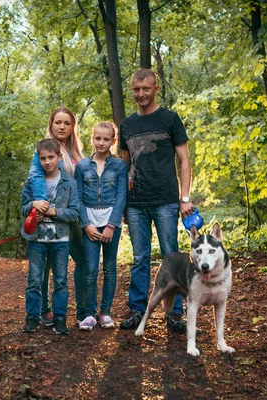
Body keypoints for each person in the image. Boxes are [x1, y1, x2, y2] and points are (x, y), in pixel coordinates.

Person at [118, 68, 194, 332]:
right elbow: (125, 168)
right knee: (139, 258)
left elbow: (184, 160)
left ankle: (175, 314)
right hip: (136, 202)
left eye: (146, 89)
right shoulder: (126, 125)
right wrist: (122, 203)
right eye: (136, 90)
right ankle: (137, 310)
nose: (141, 94)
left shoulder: (170, 119)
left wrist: (185, 198)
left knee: (171, 257)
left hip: (166, 200)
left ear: (156, 89)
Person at [27, 107, 85, 326]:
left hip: (72, 218)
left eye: (67, 123)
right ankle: (43, 311)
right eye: (58, 122)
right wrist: (43, 208)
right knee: (44, 267)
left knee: (83, 262)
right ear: (51, 125)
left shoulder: (77, 154)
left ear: (72, 127)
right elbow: (34, 179)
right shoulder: (43, 151)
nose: (62, 127)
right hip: (49, 219)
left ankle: (83, 311)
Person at [21, 139, 79, 335]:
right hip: (37, 240)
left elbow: (74, 212)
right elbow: (23, 208)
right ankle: (32, 317)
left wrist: (53, 212)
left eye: (51, 157)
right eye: (43, 158)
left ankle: (60, 317)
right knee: (35, 279)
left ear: (59, 157)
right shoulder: (31, 183)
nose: (47, 162)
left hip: (60, 241)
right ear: (38, 159)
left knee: (61, 280)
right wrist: (32, 206)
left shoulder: (69, 183)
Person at [75, 122, 128, 330]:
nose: (101, 143)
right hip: (90, 224)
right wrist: (86, 224)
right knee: (90, 269)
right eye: (98, 138)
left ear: (113, 141)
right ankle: (89, 313)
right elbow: (78, 198)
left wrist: (112, 225)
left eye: (106, 139)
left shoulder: (119, 166)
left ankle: (105, 312)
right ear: (92, 139)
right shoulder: (82, 166)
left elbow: (121, 196)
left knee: (110, 268)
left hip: (110, 223)